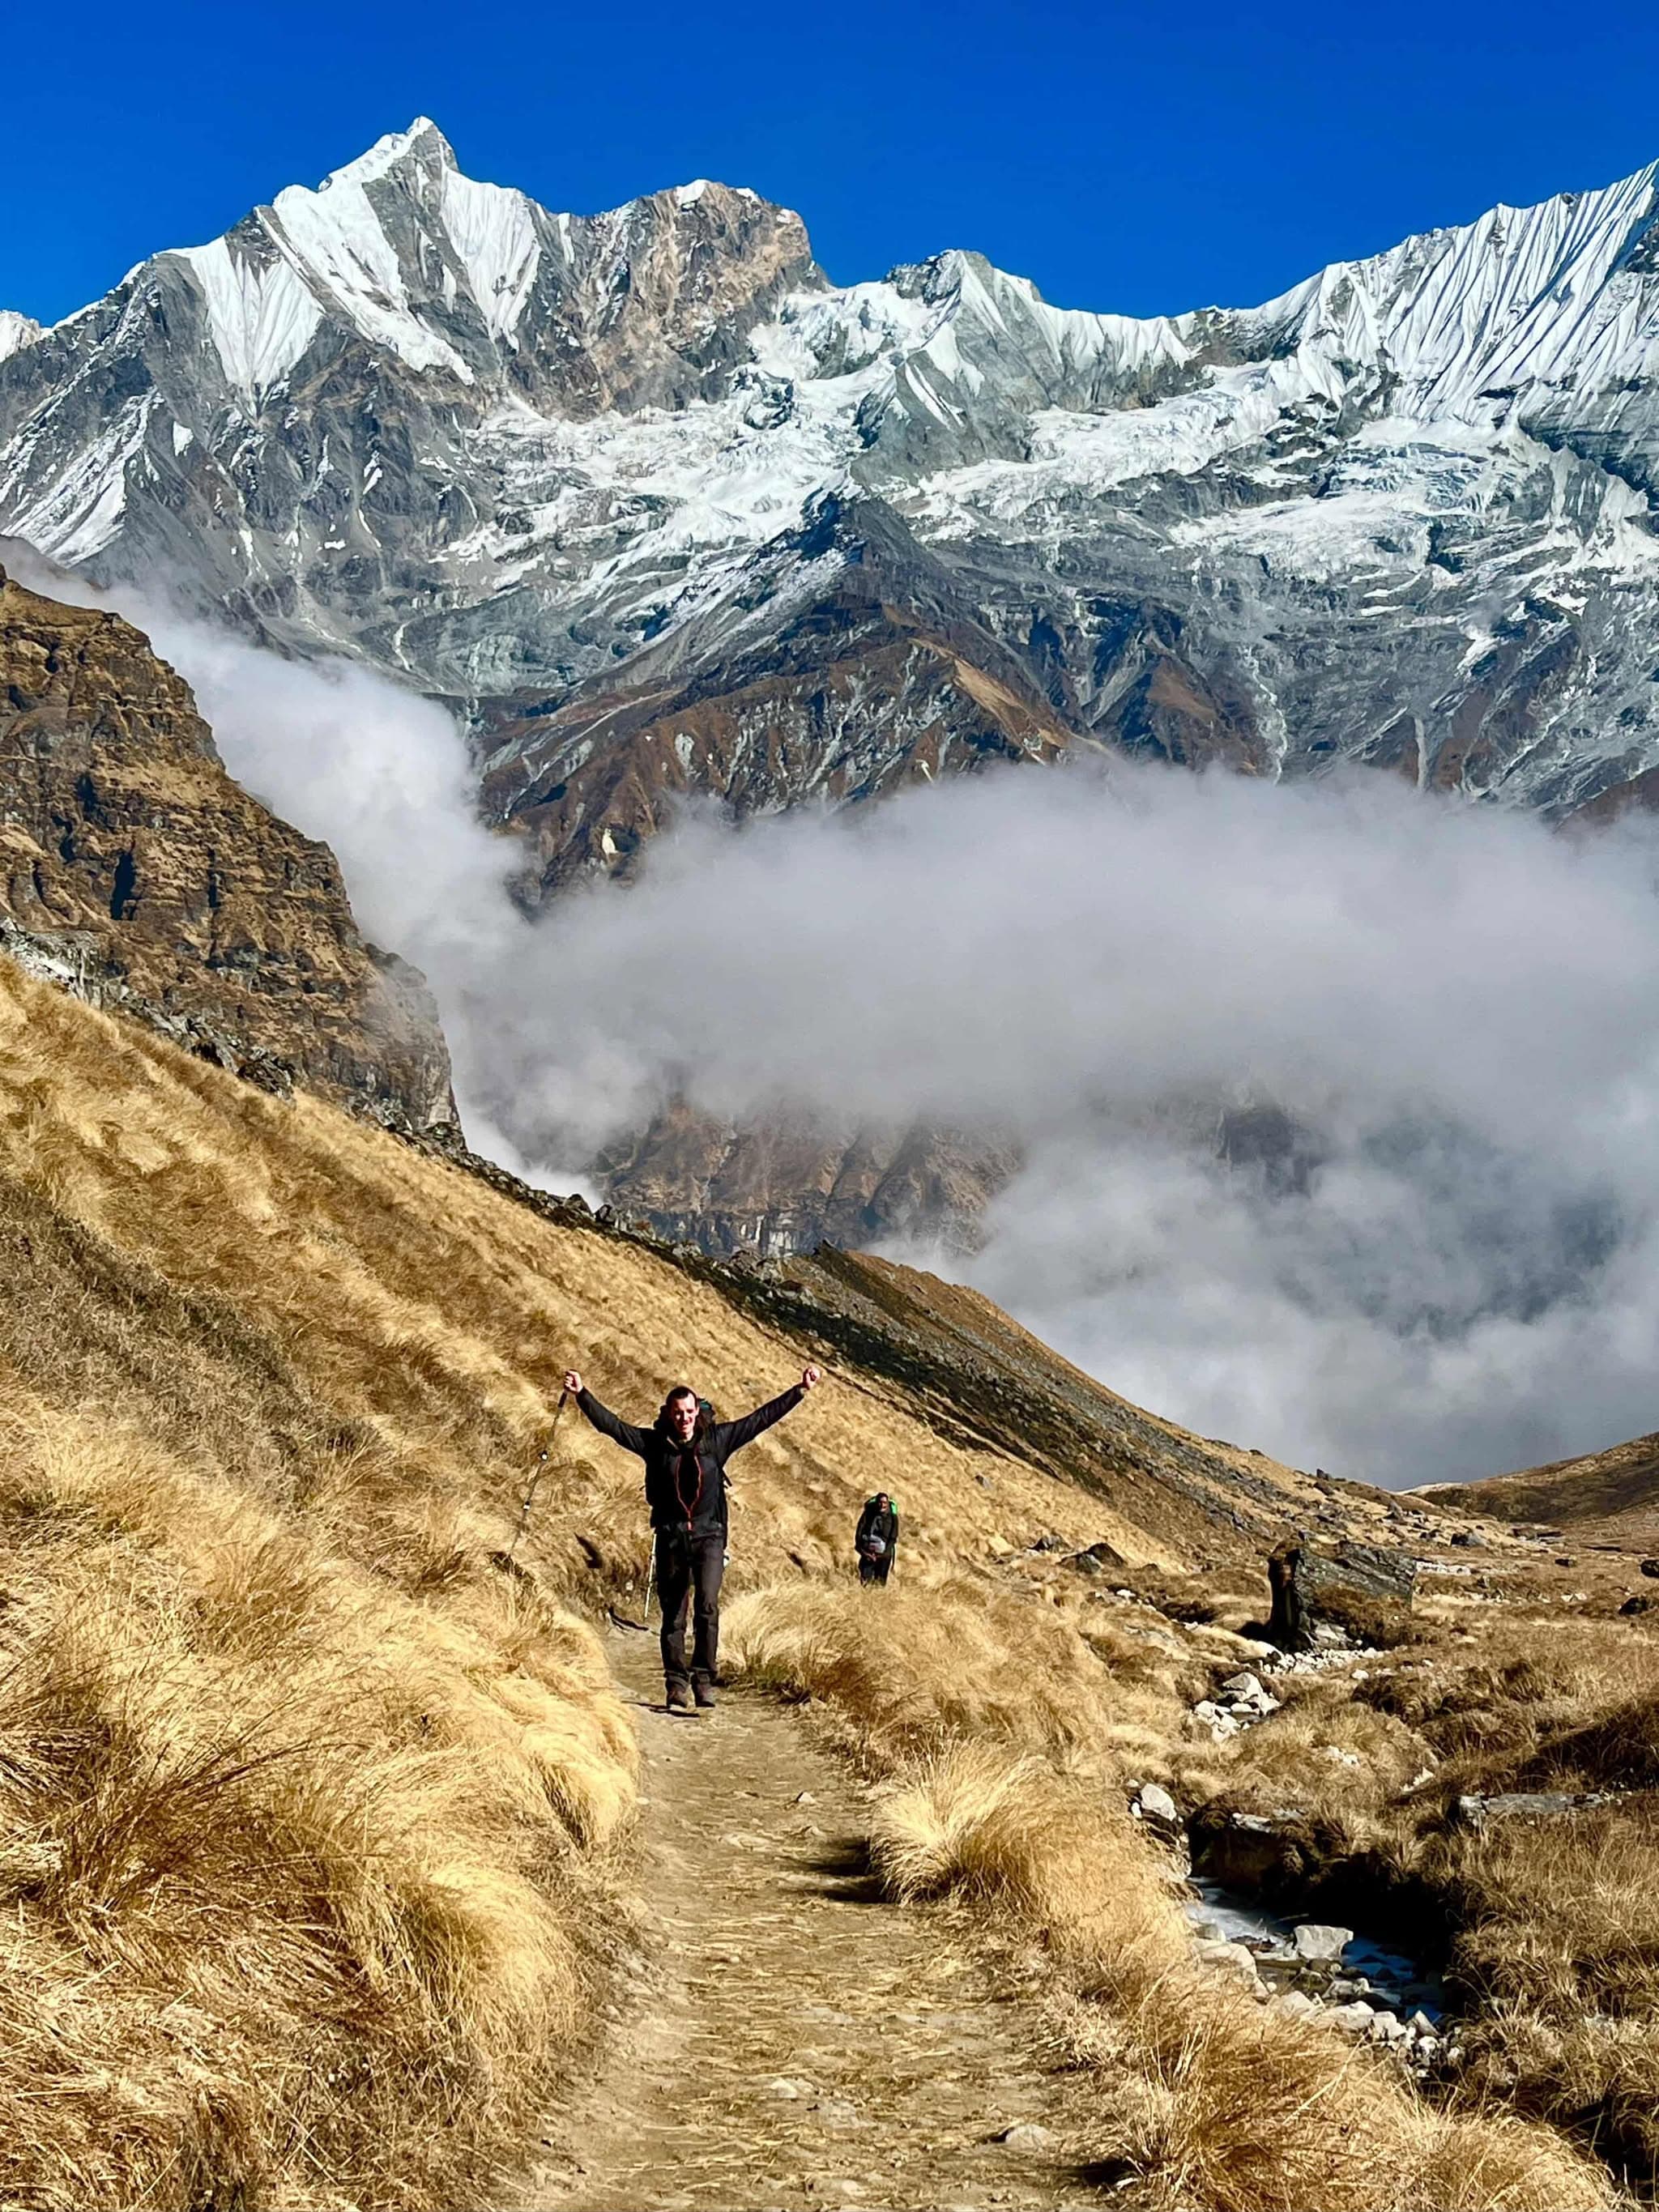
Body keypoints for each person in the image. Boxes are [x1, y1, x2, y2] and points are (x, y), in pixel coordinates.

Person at [564, 1363, 821, 1711]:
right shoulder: (654, 1444)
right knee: (673, 1616)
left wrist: (799, 1391)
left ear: (696, 1411)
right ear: (669, 1415)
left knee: (708, 1606)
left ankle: (703, 1680)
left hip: (709, 1537)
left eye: (689, 1412)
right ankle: (675, 1686)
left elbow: (760, 1419)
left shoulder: (717, 1440)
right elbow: (614, 1428)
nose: (684, 1418)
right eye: (678, 1413)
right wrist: (582, 1394)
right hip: (671, 1538)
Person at [855, 1491, 899, 1585]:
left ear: (888, 1504)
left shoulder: (892, 1518)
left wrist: (882, 1554)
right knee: (865, 1582)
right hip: (868, 1554)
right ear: (876, 1503)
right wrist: (865, 1553)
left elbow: (893, 1538)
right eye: (880, 1502)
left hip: (884, 1556)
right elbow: (859, 1532)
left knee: (880, 1584)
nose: (882, 1505)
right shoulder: (868, 1514)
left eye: (884, 1503)